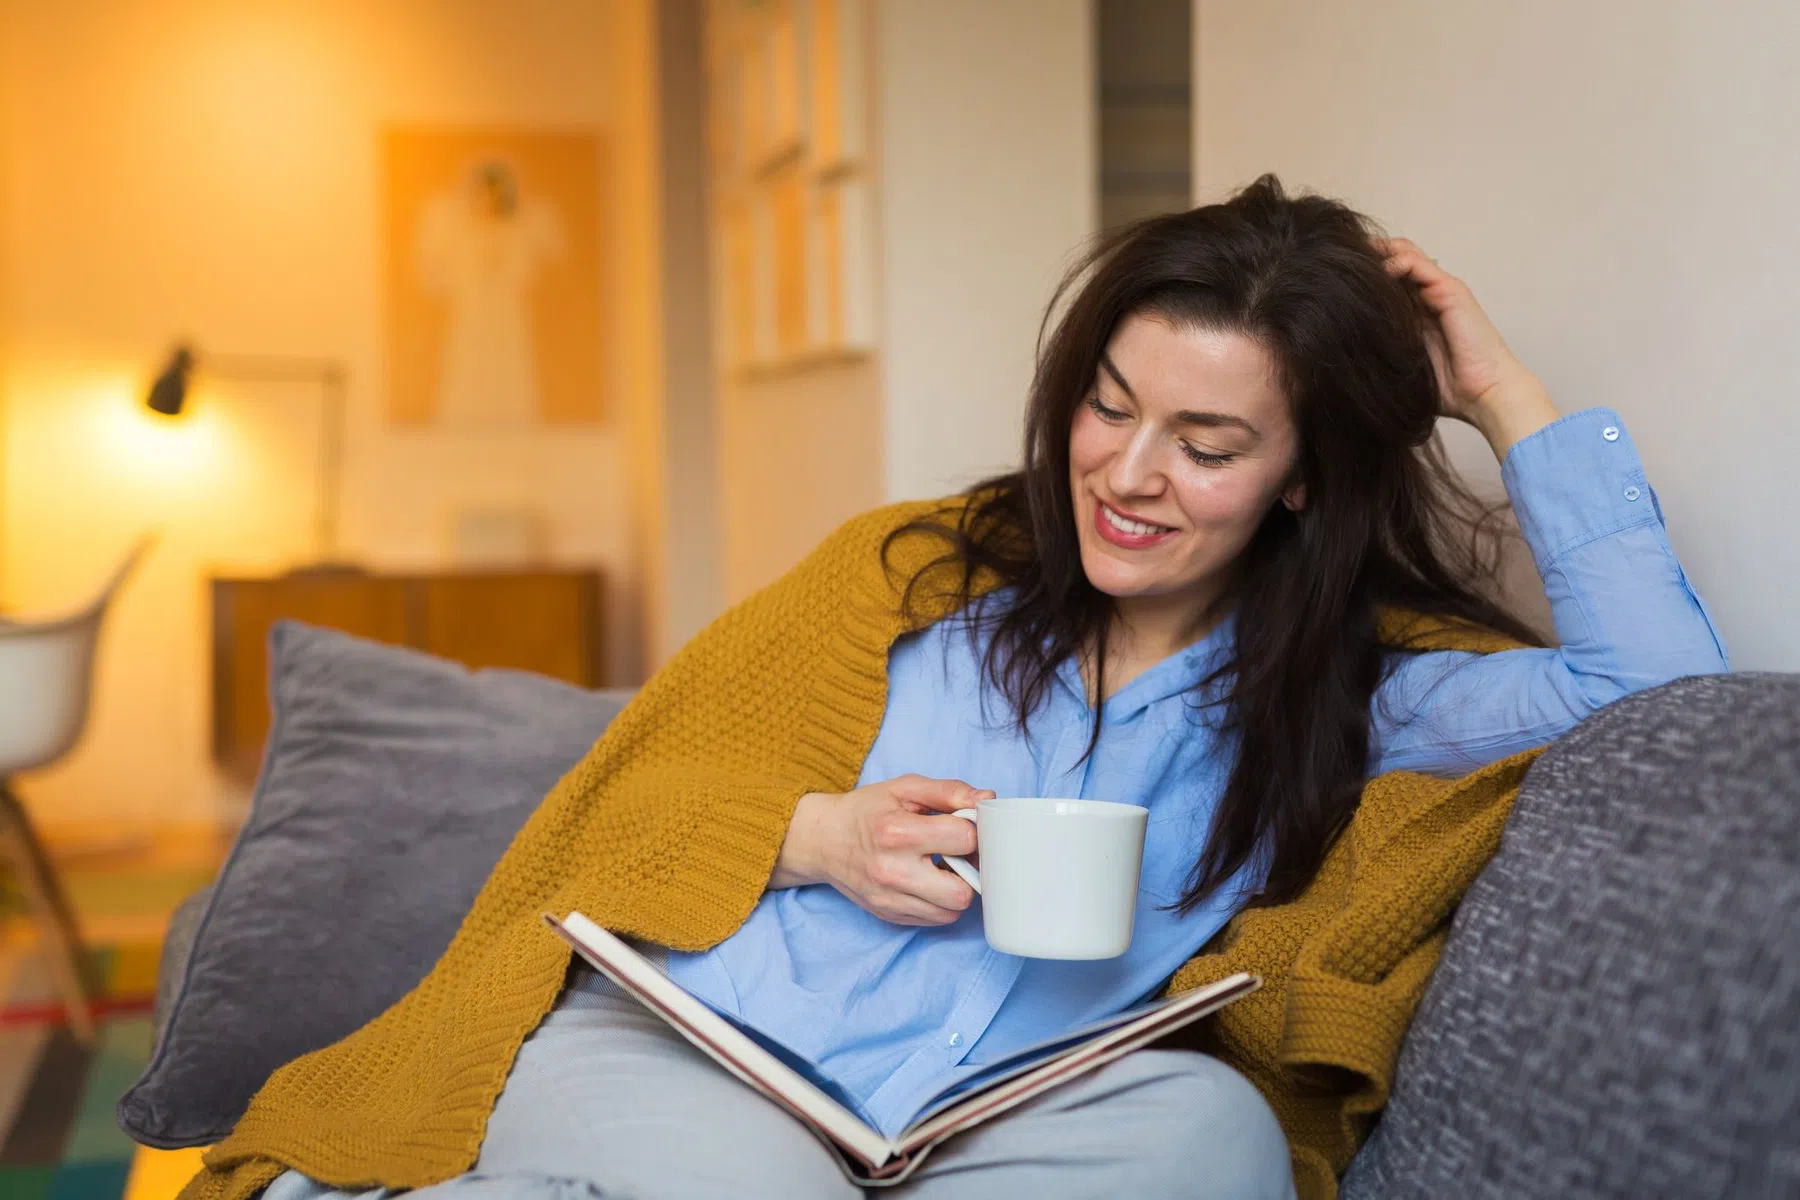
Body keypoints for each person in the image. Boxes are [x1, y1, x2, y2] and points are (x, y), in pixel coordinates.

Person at [252, 176, 1727, 1200]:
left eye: (1208, 447)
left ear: (1302, 482)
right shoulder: (911, 580)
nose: (1130, 475)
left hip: (1000, 1122)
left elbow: (1660, 690)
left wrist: (1499, 394)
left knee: (1213, 1139)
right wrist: (818, 835)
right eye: (1109, 405)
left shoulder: (1365, 692)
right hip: (710, 1052)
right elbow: (644, 794)